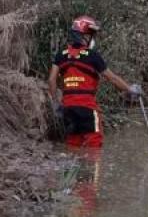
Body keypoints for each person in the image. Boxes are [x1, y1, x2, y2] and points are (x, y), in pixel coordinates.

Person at [48, 15, 142, 150]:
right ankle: (92, 170)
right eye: (91, 34)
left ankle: (73, 170)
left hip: (68, 107)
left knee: (73, 143)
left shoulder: (61, 55)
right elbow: (112, 78)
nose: (92, 38)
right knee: (94, 145)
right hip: (87, 108)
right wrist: (130, 89)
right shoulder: (92, 56)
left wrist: (56, 104)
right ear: (84, 35)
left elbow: (51, 80)